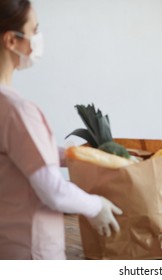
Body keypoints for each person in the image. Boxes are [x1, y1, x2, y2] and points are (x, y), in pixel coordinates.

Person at [0, 0, 122, 259]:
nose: (37, 39)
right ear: (11, 41)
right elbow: (53, 190)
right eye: (34, 31)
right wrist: (96, 206)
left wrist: (75, 155)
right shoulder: (16, 110)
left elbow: (18, 155)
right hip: (31, 251)